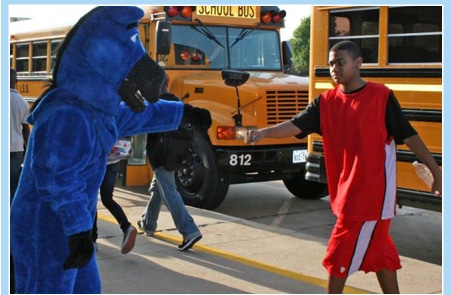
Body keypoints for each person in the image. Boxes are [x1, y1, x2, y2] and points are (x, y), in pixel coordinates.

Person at [246, 40, 442, 294]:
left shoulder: (380, 97)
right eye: (330, 64)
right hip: (347, 193)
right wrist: (262, 134)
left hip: (370, 198)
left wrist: (436, 172)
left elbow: (410, 136)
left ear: (358, 63)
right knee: (380, 255)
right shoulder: (325, 102)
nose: (334, 68)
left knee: (338, 256)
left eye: (341, 62)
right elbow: (296, 125)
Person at [138, 91, 211, 251]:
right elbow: (200, 117)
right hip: (176, 154)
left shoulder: (153, 103)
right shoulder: (173, 101)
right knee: (159, 188)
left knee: (169, 191)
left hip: (161, 154)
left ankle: (189, 230)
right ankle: (148, 224)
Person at [92, 139, 137, 254]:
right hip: (114, 158)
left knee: (91, 200)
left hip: (97, 160)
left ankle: (92, 239)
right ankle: (126, 227)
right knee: (107, 198)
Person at [10, 68, 30, 202]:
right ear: (16, 81)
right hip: (17, 149)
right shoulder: (23, 102)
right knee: (12, 187)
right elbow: (26, 129)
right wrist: (28, 150)